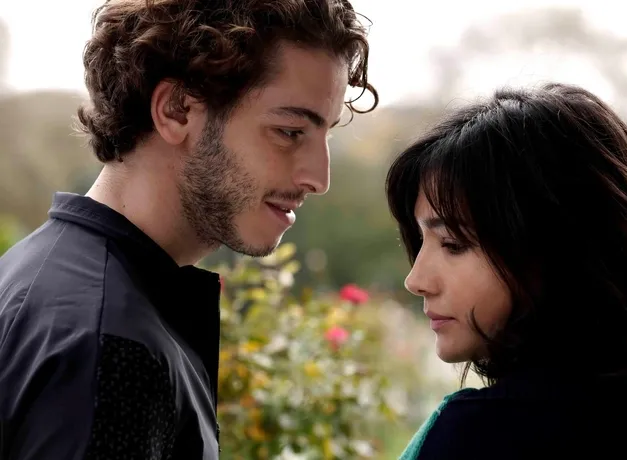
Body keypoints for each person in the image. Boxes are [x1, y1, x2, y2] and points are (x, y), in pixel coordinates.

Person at [0, 0, 376, 458]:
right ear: (177, 110)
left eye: (327, 135)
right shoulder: (111, 349)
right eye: (290, 131)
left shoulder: (34, 272)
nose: (319, 178)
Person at [386, 83, 627, 459]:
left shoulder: (477, 436)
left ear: (558, 249)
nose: (416, 280)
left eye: (453, 244)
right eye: (421, 241)